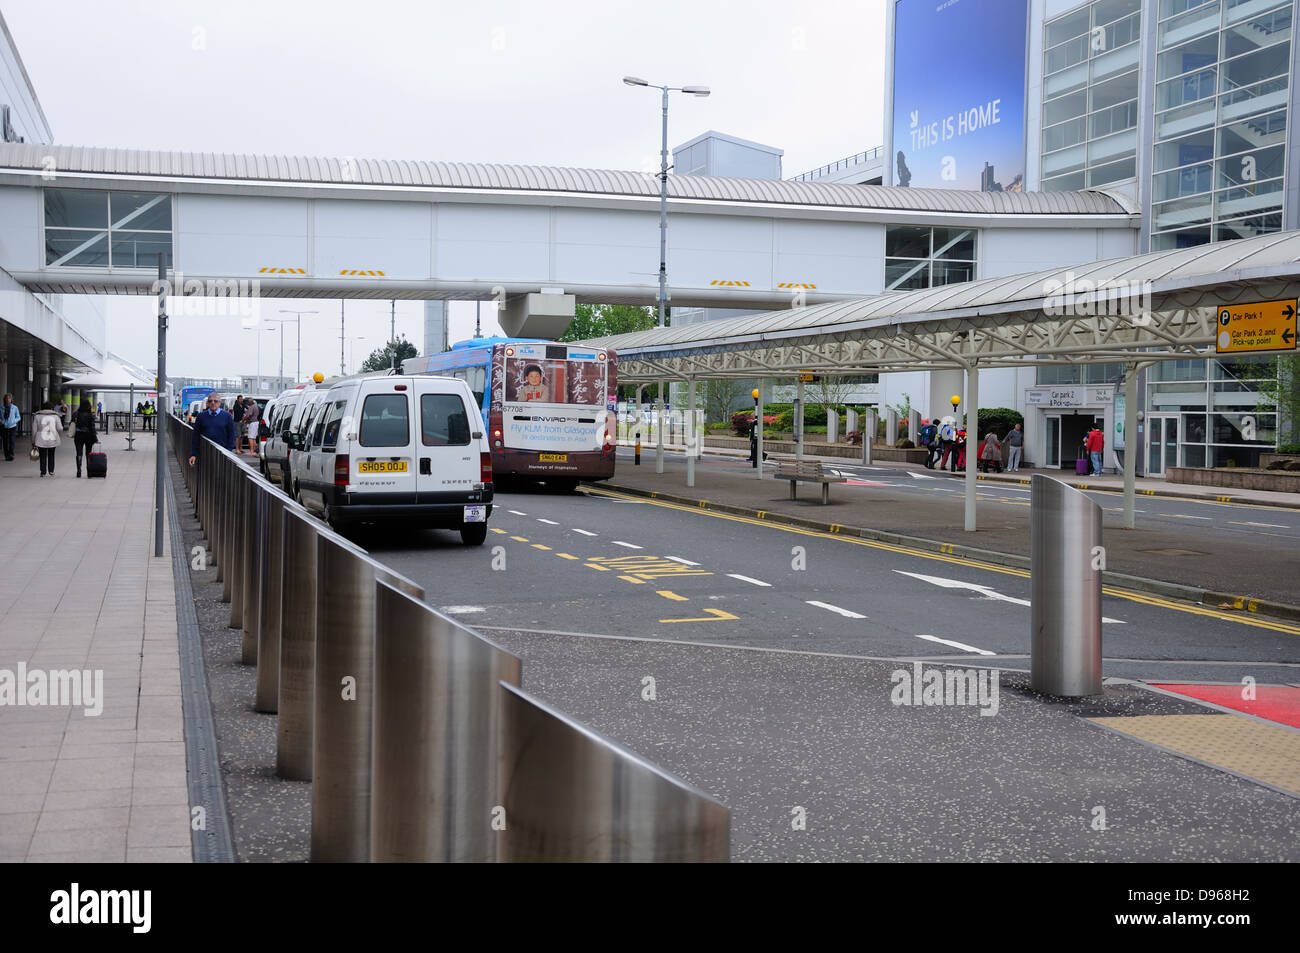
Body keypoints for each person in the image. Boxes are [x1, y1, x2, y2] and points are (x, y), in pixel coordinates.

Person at [189, 394, 236, 466]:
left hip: (222, 453)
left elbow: (232, 435)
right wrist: (193, 454)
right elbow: (196, 436)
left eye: (215, 401)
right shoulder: (201, 416)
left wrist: (228, 451)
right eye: (210, 401)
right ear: (207, 403)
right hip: (204, 453)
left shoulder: (227, 416)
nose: (213, 403)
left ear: (220, 403)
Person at [31, 400, 63, 477]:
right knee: (51, 454)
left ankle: (43, 472)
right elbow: (60, 428)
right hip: (53, 438)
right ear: (52, 408)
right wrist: (59, 435)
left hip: (40, 438)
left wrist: (33, 440)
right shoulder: (56, 416)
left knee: (42, 455)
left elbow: (34, 429)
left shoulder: (37, 416)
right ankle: (51, 471)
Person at [73, 397, 97, 477]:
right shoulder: (91, 415)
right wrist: (95, 438)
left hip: (78, 435)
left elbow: (71, 424)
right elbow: (92, 427)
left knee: (79, 453)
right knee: (88, 453)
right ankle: (89, 471)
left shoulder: (76, 414)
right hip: (88, 436)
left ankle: (79, 471)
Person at [1, 394, 19, 461]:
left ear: (11, 400)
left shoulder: (15, 408)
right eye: (6, 398)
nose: (8, 399)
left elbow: (18, 417)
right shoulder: (1, 408)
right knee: (5, 442)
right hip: (4, 426)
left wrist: (14, 421)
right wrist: (2, 421)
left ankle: (11, 454)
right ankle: (6, 455)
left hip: (12, 426)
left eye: (9, 398)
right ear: (4, 399)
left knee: (12, 441)